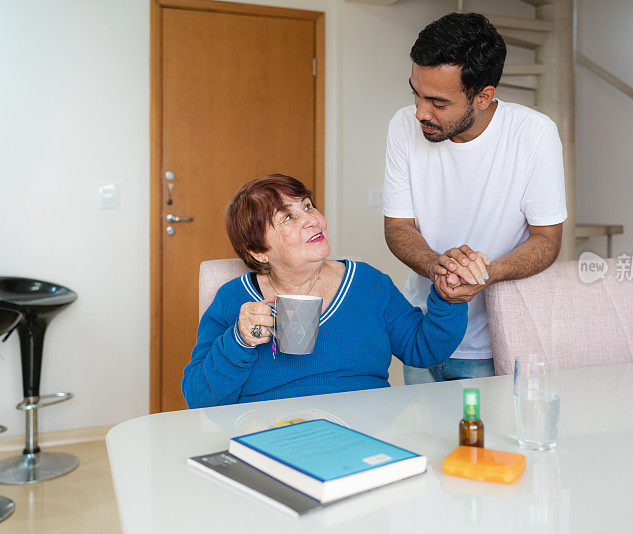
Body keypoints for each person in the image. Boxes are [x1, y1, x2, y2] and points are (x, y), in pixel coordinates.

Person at [383, 13, 567, 384]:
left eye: (438, 102)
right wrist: (438, 267)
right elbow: (398, 227)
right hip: (423, 330)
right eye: (415, 93)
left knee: (488, 442)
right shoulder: (403, 126)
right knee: (422, 442)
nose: (420, 112)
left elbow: (547, 240)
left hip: (497, 342)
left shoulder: (534, 134)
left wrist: (484, 275)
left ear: (483, 97)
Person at [183, 174, 467, 408]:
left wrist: (447, 298)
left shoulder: (368, 283)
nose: (312, 219)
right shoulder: (232, 299)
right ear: (258, 251)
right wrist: (239, 340)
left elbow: (424, 349)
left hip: (362, 434)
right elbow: (199, 398)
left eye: (307, 206)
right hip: (272, 436)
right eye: (287, 218)